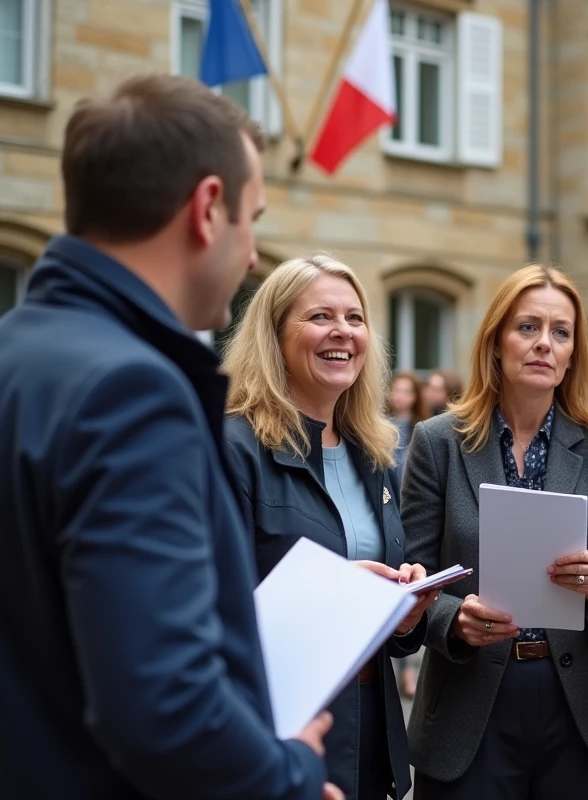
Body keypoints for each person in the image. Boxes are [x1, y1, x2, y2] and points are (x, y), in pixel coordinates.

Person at [0, 74, 337, 799]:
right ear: (208, 208)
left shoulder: (18, 350)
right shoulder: (132, 393)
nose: (253, 257)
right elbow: (165, 707)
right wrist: (292, 774)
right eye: (253, 218)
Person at [401, 264, 588, 799]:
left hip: (582, 702)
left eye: (561, 332)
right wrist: (452, 619)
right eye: (527, 327)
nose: (544, 345)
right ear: (496, 342)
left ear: (573, 354)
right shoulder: (438, 442)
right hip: (471, 699)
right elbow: (413, 579)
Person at [222, 255, 439, 800]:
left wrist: (405, 610)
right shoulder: (233, 448)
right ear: (275, 336)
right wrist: (335, 597)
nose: (342, 331)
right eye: (320, 316)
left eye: (355, 317)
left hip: (372, 727)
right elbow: (210, 609)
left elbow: (390, 632)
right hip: (280, 731)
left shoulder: (376, 454)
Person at [387, 369, 431, 697]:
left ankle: (409, 671)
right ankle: (400, 669)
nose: (401, 397)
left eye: (407, 391)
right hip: (392, 512)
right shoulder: (381, 431)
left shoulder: (422, 432)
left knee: (414, 593)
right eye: (396, 391)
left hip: (412, 517)